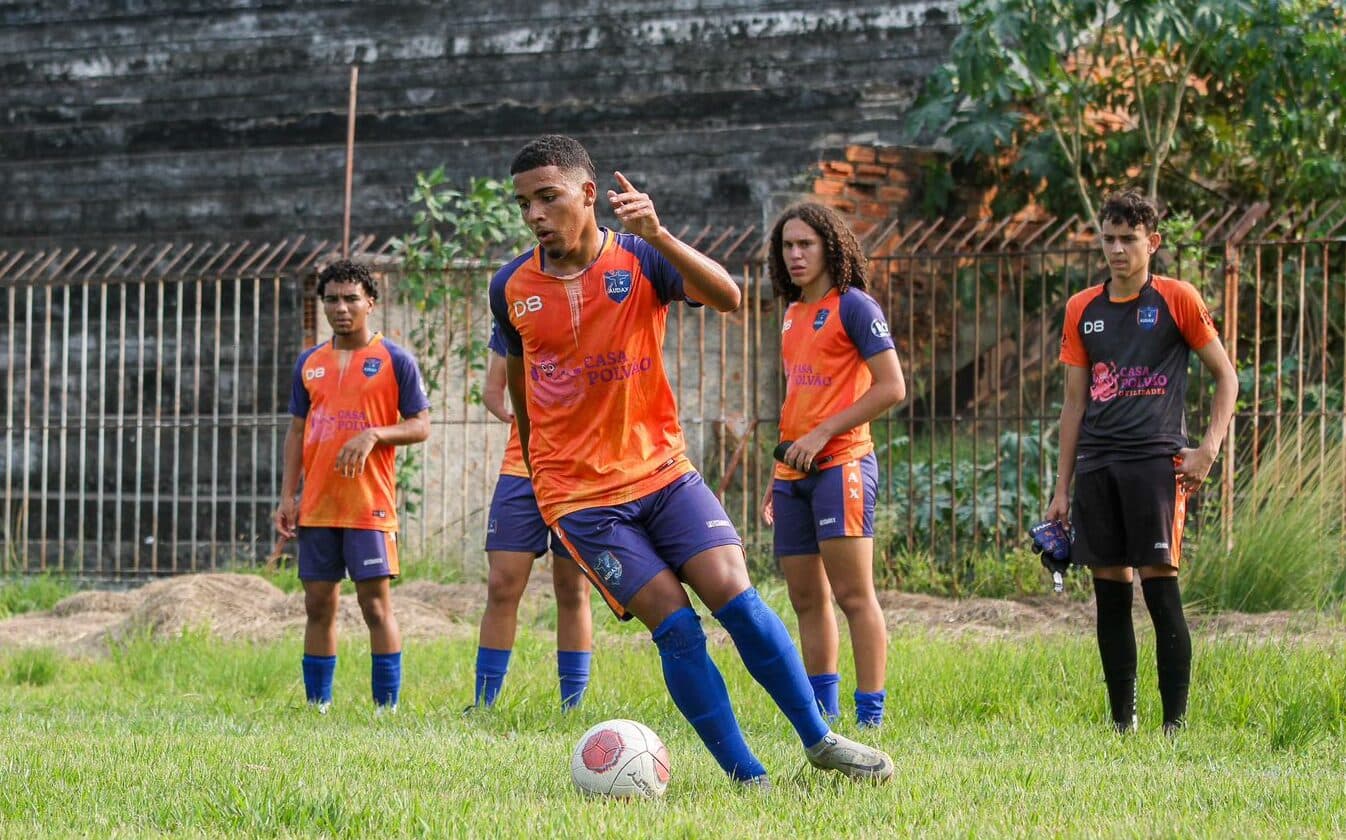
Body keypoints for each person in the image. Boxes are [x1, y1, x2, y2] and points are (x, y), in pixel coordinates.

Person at [489, 134, 893, 786]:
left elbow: (729, 297)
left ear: (588, 195)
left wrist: (660, 233)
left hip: (664, 472)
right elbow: (519, 385)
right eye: (524, 204)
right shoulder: (510, 286)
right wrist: (541, 472)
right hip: (581, 497)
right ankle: (748, 777)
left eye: (548, 197)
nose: (534, 215)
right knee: (677, 628)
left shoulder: (641, 258)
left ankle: (820, 742)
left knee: (737, 596)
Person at [1045, 190, 1237, 735]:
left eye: (1128, 239)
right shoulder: (1083, 307)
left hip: (1156, 463)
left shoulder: (1177, 299)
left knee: (1160, 589)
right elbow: (1074, 403)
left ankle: (1174, 725)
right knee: (1109, 596)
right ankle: (1122, 724)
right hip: (1098, 466)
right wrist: (1063, 488)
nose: (1117, 249)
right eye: (1108, 238)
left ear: (1152, 243)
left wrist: (1208, 449)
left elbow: (1227, 376)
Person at [759, 202, 906, 728]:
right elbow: (797, 398)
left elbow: (892, 387)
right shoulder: (793, 313)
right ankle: (825, 713)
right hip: (792, 473)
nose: (795, 255)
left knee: (852, 595)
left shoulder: (856, 307)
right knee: (805, 597)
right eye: (787, 246)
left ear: (830, 246)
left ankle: (871, 717)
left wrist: (823, 433)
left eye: (806, 245)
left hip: (842, 465)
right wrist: (778, 474)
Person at [274, 259, 431, 712]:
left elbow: (420, 426)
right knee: (318, 605)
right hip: (318, 506)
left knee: (375, 607)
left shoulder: (395, 359)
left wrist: (375, 433)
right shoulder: (310, 363)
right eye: (331, 300)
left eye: (350, 299)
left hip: (369, 507)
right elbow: (296, 431)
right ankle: (316, 708)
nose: (341, 308)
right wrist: (288, 495)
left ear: (370, 304)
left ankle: (387, 710)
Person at [472, 322, 593, 710]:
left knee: (573, 589)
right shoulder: (516, 313)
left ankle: (572, 706)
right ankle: (484, 704)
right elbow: (493, 390)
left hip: (581, 470)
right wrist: (515, 418)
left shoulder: (594, 308)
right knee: (502, 584)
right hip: (521, 467)